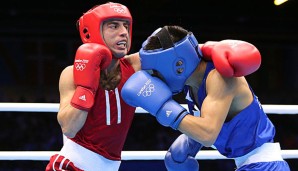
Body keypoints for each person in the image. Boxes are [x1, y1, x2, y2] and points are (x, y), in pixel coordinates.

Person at [121, 25, 290, 170]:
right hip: (249, 165)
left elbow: (208, 134)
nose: (156, 79)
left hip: (264, 166)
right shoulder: (190, 79)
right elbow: (130, 63)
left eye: (156, 73)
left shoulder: (219, 78)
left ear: (178, 66)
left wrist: (163, 107)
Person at [45, 2, 141, 170]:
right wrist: (86, 87)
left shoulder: (134, 65)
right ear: (92, 32)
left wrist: (202, 49)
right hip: (71, 166)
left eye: (126, 26)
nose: (124, 32)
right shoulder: (71, 74)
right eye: (113, 26)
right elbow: (69, 128)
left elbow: (180, 52)